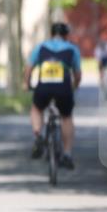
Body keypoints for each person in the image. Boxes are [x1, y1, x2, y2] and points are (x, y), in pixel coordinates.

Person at [25, 22, 82, 169]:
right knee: (66, 117)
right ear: (66, 35)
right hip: (64, 88)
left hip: (43, 87)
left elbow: (29, 68)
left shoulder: (41, 47)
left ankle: (38, 136)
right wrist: (74, 87)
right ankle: (67, 154)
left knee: (37, 109)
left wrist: (27, 84)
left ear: (51, 34)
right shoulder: (72, 49)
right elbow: (77, 74)